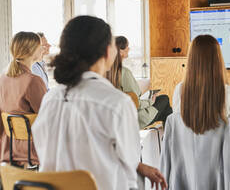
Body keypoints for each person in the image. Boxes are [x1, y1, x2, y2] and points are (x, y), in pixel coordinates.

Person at [31, 16, 167, 190]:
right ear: (108, 52)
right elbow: (128, 177)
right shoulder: (117, 103)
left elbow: (71, 158)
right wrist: (137, 168)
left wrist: (140, 166)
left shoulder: (51, 99)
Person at [160, 35, 230, 189]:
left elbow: (178, 133)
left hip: (183, 173)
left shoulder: (179, 90)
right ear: (218, 60)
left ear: (191, 60)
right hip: (219, 179)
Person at [0, 32, 46, 166]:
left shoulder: (3, 78)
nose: (42, 49)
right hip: (31, 150)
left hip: (7, 147)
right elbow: (47, 117)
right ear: (31, 50)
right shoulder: (33, 81)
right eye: (40, 46)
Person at [107, 36, 172, 129]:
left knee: (166, 111)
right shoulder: (124, 72)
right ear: (121, 52)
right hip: (135, 118)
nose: (129, 49)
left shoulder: (107, 71)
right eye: (127, 46)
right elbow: (135, 104)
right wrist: (150, 101)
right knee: (164, 99)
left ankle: (167, 137)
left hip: (119, 118)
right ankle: (169, 139)